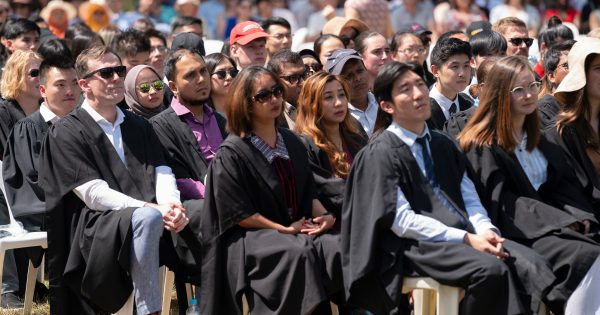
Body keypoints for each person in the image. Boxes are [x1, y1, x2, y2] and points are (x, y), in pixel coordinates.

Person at [342, 61, 543, 315]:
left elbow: (468, 197)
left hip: (463, 236)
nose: (418, 94)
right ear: (386, 106)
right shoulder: (379, 153)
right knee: (491, 270)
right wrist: (466, 238)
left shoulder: (442, 144)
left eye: (419, 85)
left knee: (529, 263)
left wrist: (485, 230)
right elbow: (401, 220)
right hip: (413, 247)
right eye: (405, 89)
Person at [40, 45, 189, 315]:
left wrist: (172, 205)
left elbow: (162, 170)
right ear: (84, 84)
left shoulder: (139, 125)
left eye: (119, 71)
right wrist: (152, 208)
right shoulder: (66, 131)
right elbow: (94, 195)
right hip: (95, 224)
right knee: (147, 218)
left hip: (149, 212)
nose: (117, 78)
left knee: (200, 213)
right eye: (106, 73)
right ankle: (149, 310)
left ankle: (203, 304)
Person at [458, 55, 600, 314]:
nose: (528, 95)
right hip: (515, 232)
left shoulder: (541, 139)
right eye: (518, 90)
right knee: (586, 256)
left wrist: (580, 218)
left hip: (552, 227)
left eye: (532, 86)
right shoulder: (482, 145)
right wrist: (561, 222)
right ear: (499, 95)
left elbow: (563, 186)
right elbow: (503, 202)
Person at [199, 66, 341, 314]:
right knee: (298, 252)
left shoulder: (292, 141)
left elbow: (309, 191)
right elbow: (240, 215)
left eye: (276, 91)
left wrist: (326, 217)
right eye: (263, 96)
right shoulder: (232, 153)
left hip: (295, 226)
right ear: (246, 104)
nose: (274, 99)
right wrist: (283, 229)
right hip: (252, 237)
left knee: (338, 246)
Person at [150, 48, 227, 297]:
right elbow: (176, 180)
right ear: (173, 85)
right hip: (193, 211)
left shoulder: (224, 121)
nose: (201, 80)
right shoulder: (160, 126)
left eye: (203, 71)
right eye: (190, 75)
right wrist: (220, 195)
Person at [294, 71, 366, 228]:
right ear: (312, 103)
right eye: (328, 97)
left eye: (341, 95)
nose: (339, 103)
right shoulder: (304, 144)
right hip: (337, 227)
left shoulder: (355, 135)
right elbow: (326, 191)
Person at [326, 49, 377, 137]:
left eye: (360, 71)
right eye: (349, 76)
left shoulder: (384, 103)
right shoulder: (337, 117)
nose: (357, 78)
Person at [428, 37, 473, 130]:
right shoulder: (424, 110)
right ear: (435, 71)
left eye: (466, 66)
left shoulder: (469, 103)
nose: (462, 73)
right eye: (455, 66)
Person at [538, 40, 574, 129]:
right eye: (567, 65)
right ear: (551, 76)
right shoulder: (542, 112)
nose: (575, 70)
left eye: (578, 64)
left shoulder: (587, 106)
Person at [266, 49, 307, 129]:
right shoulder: (269, 117)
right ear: (274, 81)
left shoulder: (317, 108)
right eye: (293, 78)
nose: (303, 82)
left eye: (304, 75)